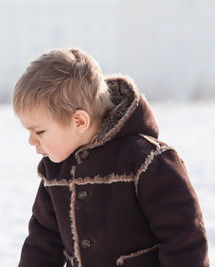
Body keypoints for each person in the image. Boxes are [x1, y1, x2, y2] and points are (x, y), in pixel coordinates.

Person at [12, 48, 209, 267]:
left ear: (79, 122)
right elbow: (41, 246)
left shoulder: (149, 162)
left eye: (39, 131)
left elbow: (184, 241)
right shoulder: (55, 171)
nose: (31, 141)